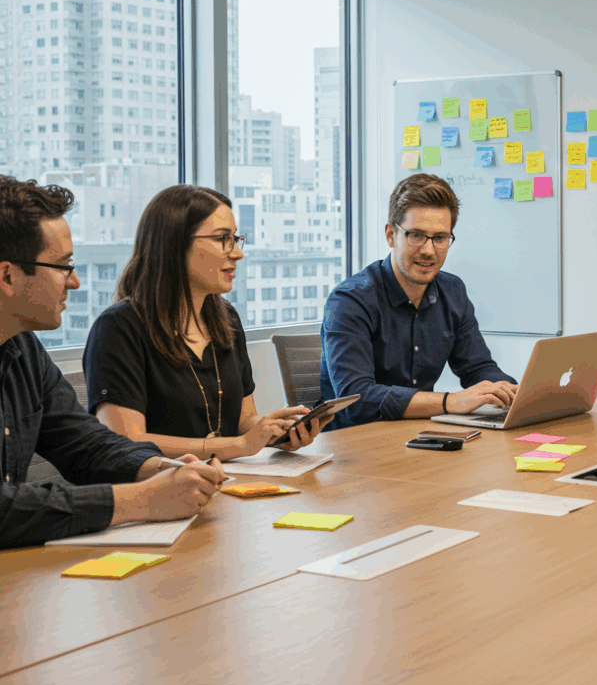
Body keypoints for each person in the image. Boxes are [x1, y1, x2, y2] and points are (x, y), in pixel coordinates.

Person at [0, 176, 224, 549]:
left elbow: (85, 444)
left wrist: (162, 470)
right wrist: (141, 500)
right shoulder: (118, 325)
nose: (74, 283)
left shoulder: (24, 350)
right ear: (8, 275)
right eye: (62, 266)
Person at [86, 185, 321, 460]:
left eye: (235, 239)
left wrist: (277, 433)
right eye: (222, 239)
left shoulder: (227, 319)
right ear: (175, 244)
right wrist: (240, 446)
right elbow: (126, 440)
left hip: (228, 483)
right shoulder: (118, 328)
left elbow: (245, 420)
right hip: (158, 491)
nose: (237, 253)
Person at [320, 174, 516, 429]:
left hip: (419, 437)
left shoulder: (452, 291)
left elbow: (478, 368)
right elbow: (356, 398)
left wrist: (509, 391)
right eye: (416, 235)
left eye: (440, 238)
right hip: (354, 446)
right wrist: (449, 402)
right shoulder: (349, 301)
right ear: (391, 235)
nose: (428, 250)